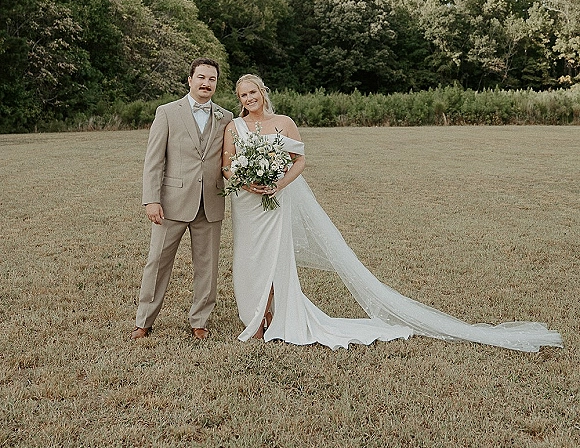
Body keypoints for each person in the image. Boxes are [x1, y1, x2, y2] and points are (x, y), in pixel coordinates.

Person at [222, 74, 563, 352]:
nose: (248, 98)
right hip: (247, 203)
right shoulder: (235, 127)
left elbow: (300, 161)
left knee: (274, 260)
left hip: (276, 201)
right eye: (242, 95)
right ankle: (256, 315)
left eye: (252, 92)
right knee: (248, 260)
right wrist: (248, 181)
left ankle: (268, 320)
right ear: (239, 99)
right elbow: (227, 166)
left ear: (263, 92)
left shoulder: (283, 122)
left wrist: (277, 184)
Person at [131, 59, 233, 340]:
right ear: (189, 80)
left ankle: (199, 320)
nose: (206, 83)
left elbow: (229, 160)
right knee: (157, 262)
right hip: (171, 202)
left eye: (211, 79)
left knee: (207, 266)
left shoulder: (226, 117)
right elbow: (154, 161)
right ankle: (144, 321)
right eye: (201, 77)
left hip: (210, 202)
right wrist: (151, 199)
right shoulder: (167, 113)